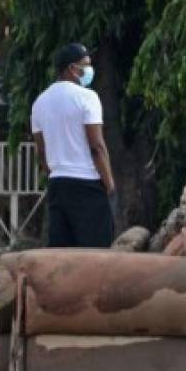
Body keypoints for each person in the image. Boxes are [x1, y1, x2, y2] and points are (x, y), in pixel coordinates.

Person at [31, 43, 116, 247]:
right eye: (85, 65)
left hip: (57, 186)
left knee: (62, 257)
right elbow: (96, 146)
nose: (89, 70)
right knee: (95, 256)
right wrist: (109, 183)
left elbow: (41, 152)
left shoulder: (40, 102)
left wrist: (54, 173)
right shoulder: (87, 97)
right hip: (87, 185)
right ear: (71, 68)